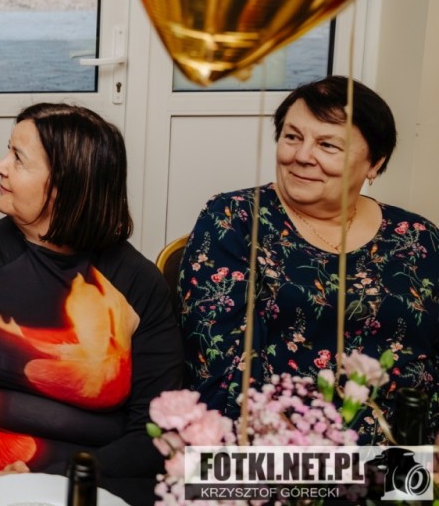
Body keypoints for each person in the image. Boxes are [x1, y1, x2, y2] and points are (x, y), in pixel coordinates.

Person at [0, 103, 181, 477]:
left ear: (65, 185)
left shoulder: (138, 284)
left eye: (18, 159)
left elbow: (155, 429)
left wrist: (53, 483)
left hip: (86, 485)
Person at [180, 76, 439, 442]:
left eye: (327, 145)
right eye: (292, 137)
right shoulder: (234, 220)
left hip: (409, 448)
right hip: (279, 451)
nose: (302, 156)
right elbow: (219, 367)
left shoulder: (418, 237)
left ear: (375, 163)